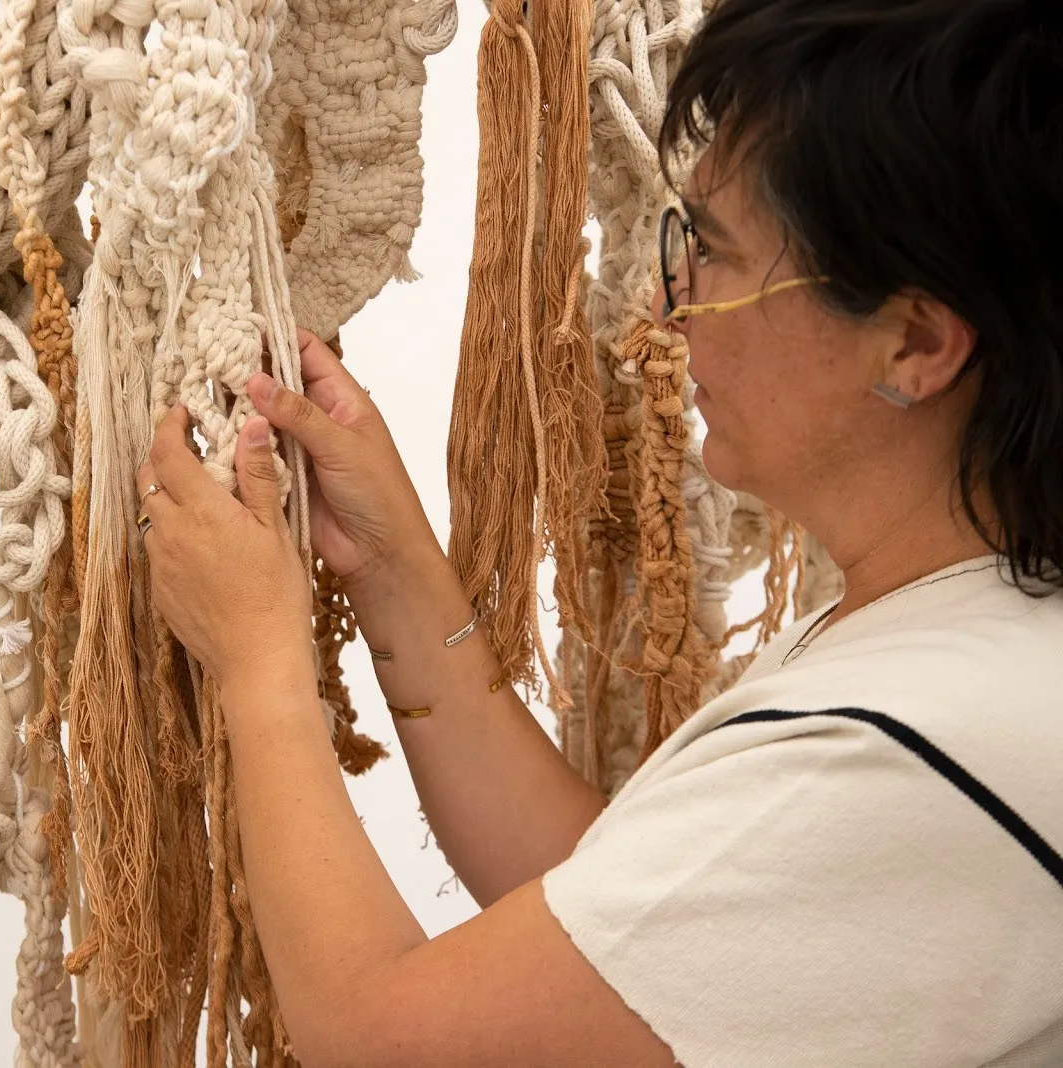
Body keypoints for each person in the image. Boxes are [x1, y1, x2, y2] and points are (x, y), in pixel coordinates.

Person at [133, 0, 1063, 1063]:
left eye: (711, 252)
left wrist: (259, 663)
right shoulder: (974, 654)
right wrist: (393, 571)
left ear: (915, 343)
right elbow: (626, 933)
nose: (668, 307)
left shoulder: (918, 750)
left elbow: (379, 1040)